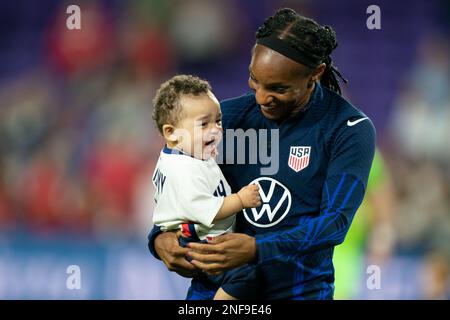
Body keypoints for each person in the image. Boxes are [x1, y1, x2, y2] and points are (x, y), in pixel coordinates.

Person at [148, 8, 376, 299]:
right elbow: (177, 185)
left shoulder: (347, 129)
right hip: (216, 291)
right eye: (254, 80)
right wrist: (159, 240)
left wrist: (257, 248)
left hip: (299, 292)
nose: (260, 97)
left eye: (277, 88)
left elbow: (335, 223)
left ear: (315, 74)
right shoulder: (226, 118)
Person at [150, 74, 262, 300]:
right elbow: (206, 210)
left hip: (195, 239)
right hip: (200, 244)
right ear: (170, 132)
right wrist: (241, 200)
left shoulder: (184, 154)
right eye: (204, 124)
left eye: (218, 121)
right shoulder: (184, 170)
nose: (215, 130)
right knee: (247, 274)